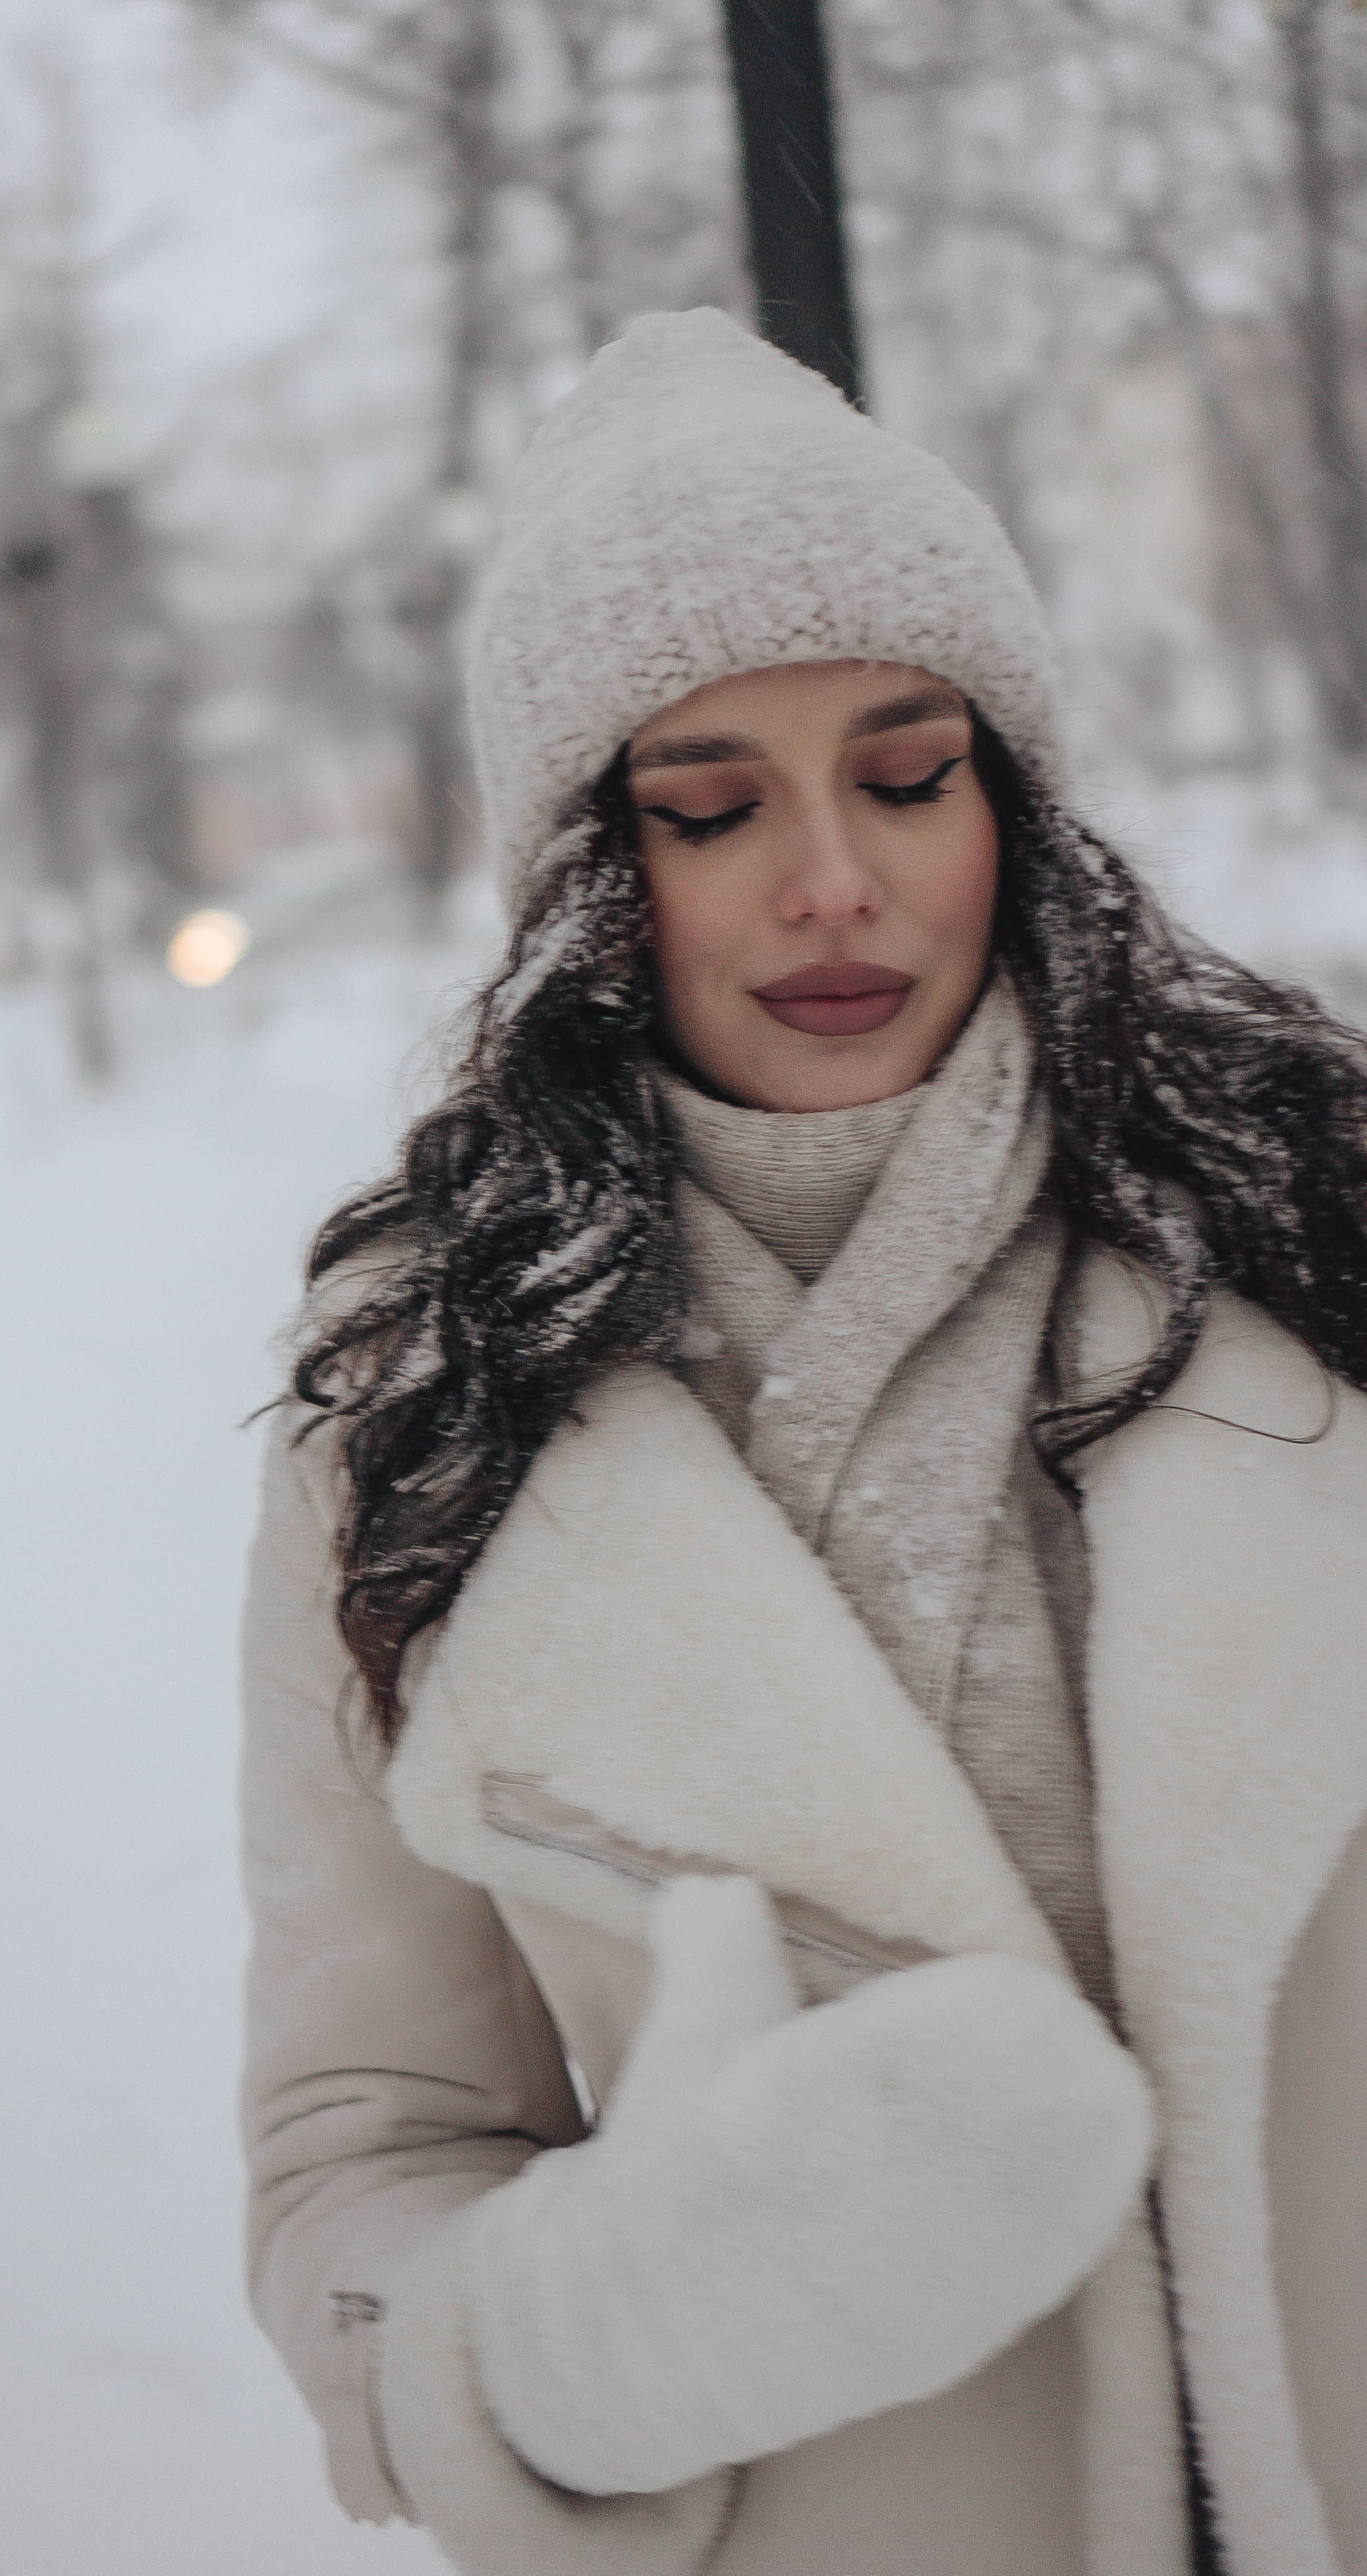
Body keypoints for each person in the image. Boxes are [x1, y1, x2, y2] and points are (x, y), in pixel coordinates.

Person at [237, 309, 1367, 2576]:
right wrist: (570, 2344)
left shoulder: (1317, 1245)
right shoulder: (418, 1423)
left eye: (908, 770)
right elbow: (365, 2144)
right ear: (583, 871)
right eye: (708, 805)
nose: (831, 880)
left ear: (1011, 801)